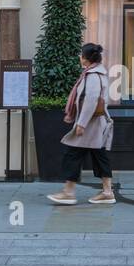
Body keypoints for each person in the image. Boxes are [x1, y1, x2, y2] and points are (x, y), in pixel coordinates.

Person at [47, 42, 115, 205]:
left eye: (81, 54)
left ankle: (68, 192)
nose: (79, 57)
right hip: (96, 124)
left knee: (73, 155)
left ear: (86, 58)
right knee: (99, 156)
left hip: (90, 124)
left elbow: (91, 100)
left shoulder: (92, 75)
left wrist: (81, 123)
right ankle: (107, 192)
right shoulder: (97, 73)